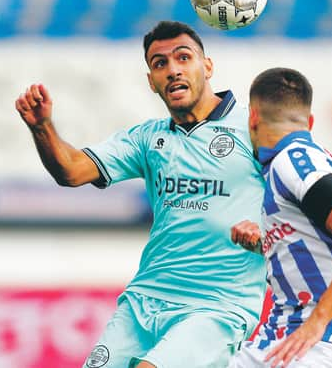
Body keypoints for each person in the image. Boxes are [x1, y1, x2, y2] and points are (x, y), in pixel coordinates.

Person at [15, 20, 267, 368]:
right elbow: (71, 171)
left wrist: (265, 233)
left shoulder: (254, 128)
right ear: (151, 81)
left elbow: (306, 197)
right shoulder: (147, 139)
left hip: (216, 306)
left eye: (183, 57)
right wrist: (41, 126)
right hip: (144, 300)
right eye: (160, 63)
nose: (173, 70)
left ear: (207, 67)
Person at [228, 68, 332, 368]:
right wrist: (267, 243)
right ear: (309, 123)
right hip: (308, 346)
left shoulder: (292, 162)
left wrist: (319, 320)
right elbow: (324, 244)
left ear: (253, 118)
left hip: (322, 348)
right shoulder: (308, 161)